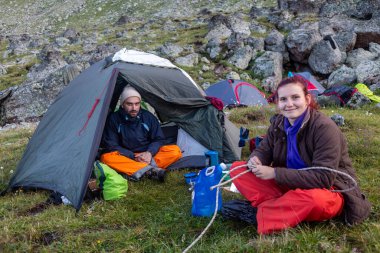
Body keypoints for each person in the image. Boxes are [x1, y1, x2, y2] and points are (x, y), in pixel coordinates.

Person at [222, 76, 371, 234]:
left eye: (295, 97)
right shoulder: (279, 124)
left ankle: (258, 214)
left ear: (307, 99)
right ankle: (285, 207)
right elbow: (264, 149)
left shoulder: (324, 128)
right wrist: (256, 159)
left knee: (316, 201)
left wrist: (274, 173)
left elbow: (324, 178)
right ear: (278, 103)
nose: (289, 104)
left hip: (329, 189)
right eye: (283, 99)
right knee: (239, 169)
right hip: (290, 184)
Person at [100, 85, 182, 182]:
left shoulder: (148, 117)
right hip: (128, 156)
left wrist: (149, 153)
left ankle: (141, 170)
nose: (134, 108)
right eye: (129, 104)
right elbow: (111, 145)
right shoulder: (114, 119)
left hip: (148, 154)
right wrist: (133, 156)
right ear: (122, 104)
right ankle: (150, 171)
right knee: (106, 158)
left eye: (137, 104)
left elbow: (159, 139)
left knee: (175, 151)